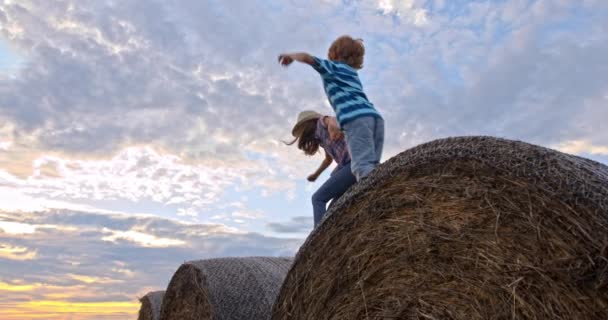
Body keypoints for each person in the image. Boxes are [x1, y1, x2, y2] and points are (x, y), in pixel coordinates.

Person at [279, 35, 384, 181]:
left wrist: (291, 56)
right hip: (375, 118)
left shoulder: (331, 67)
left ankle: (376, 196)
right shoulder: (352, 73)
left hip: (355, 118)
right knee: (372, 165)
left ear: (333, 54)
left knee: (361, 167)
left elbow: (308, 58)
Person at [286, 110, 356, 227]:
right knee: (332, 208)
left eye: (302, 131)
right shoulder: (322, 140)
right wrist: (316, 174)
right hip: (350, 165)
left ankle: (317, 240)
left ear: (307, 124)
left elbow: (330, 120)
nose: (301, 135)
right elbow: (328, 160)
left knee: (317, 199)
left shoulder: (321, 124)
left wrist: (333, 123)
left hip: (355, 163)